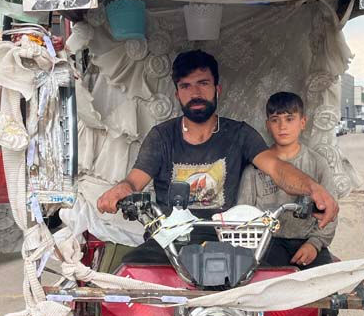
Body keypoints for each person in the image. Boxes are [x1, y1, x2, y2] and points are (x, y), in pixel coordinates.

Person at [96, 50, 339, 264]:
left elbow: (277, 168)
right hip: (170, 242)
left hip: (228, 242)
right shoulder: (161, 137)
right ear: (177, 94)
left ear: (217, 89)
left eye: (203, 83)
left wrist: (312, 188)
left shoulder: (240, 134)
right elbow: (134, 181)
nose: (196, 93)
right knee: (131, 274)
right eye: (186, 86)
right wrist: (120, 190)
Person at [236, 91, 339, 316]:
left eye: (290, 119)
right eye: (276, 120)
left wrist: (315, 244)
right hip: (267, 245)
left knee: (328, 301)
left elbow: (330, 213)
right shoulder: (257, 166)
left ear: (303, 122)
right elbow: (244, 215)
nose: (283, 126)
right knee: (251, 298)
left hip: (308, 242)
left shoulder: (317, 165)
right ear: (268, 124)